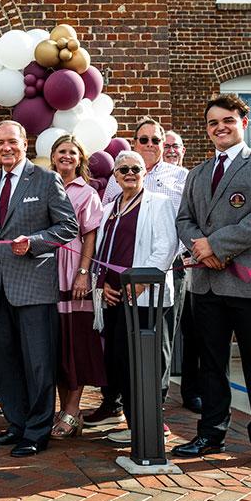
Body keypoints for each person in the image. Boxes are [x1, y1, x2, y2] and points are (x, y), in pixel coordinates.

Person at [174, 94, 251, 472]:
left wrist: (216, 245)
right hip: (206, 282)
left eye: (227, 120)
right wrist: (201, 248)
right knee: (211, 365)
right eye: (213, 123)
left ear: (244, 122)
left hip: (250, 283)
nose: (219, 127)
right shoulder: (197, 173)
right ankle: (211, 433)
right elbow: (184, 219)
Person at [0, 121, 78, 457]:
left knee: (38, 364)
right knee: (6, 364)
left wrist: (33, 242)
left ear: (24, 142)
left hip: (34, 288)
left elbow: (68, 226)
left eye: (11, 142)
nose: (5, 148)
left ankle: (36, 432)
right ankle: (16, 425)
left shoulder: (45, 179)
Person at [88, 118, 186, 427]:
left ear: (144, 173)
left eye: (135, 169)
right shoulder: (108, 209)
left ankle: (148, 424)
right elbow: (100, 251)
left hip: (146, 296)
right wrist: (102, 285)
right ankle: (130, 419)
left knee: (148, 360)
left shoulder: (159, 203)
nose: (129, 174)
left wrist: (140, 283)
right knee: (119, 359)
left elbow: (167, 246)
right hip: (115, 296)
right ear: (115, 176)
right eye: (123, 170)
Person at [48, 134, 106, 439]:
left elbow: (90, 235)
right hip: (46, 274)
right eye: (61, 151)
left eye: (72, 152)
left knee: (76, 345)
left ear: (80, 158)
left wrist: (83, 273)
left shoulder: (87, 192)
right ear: (52, 156)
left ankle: (73, 409)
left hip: (72, 271)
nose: (66, 156)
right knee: (58, 347)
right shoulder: (44, 185)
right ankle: (63, 409)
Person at [164, 129, 203, 413]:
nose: (170, 150)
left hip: (190, 264)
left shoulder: (192, 179)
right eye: (166, 145)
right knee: (163, 334)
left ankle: (193, 391)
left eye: (175, 146)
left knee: (194, 331)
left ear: (183, 150)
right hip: (161, 265)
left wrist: (194, 252)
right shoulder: (151, 179)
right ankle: (157, 395)